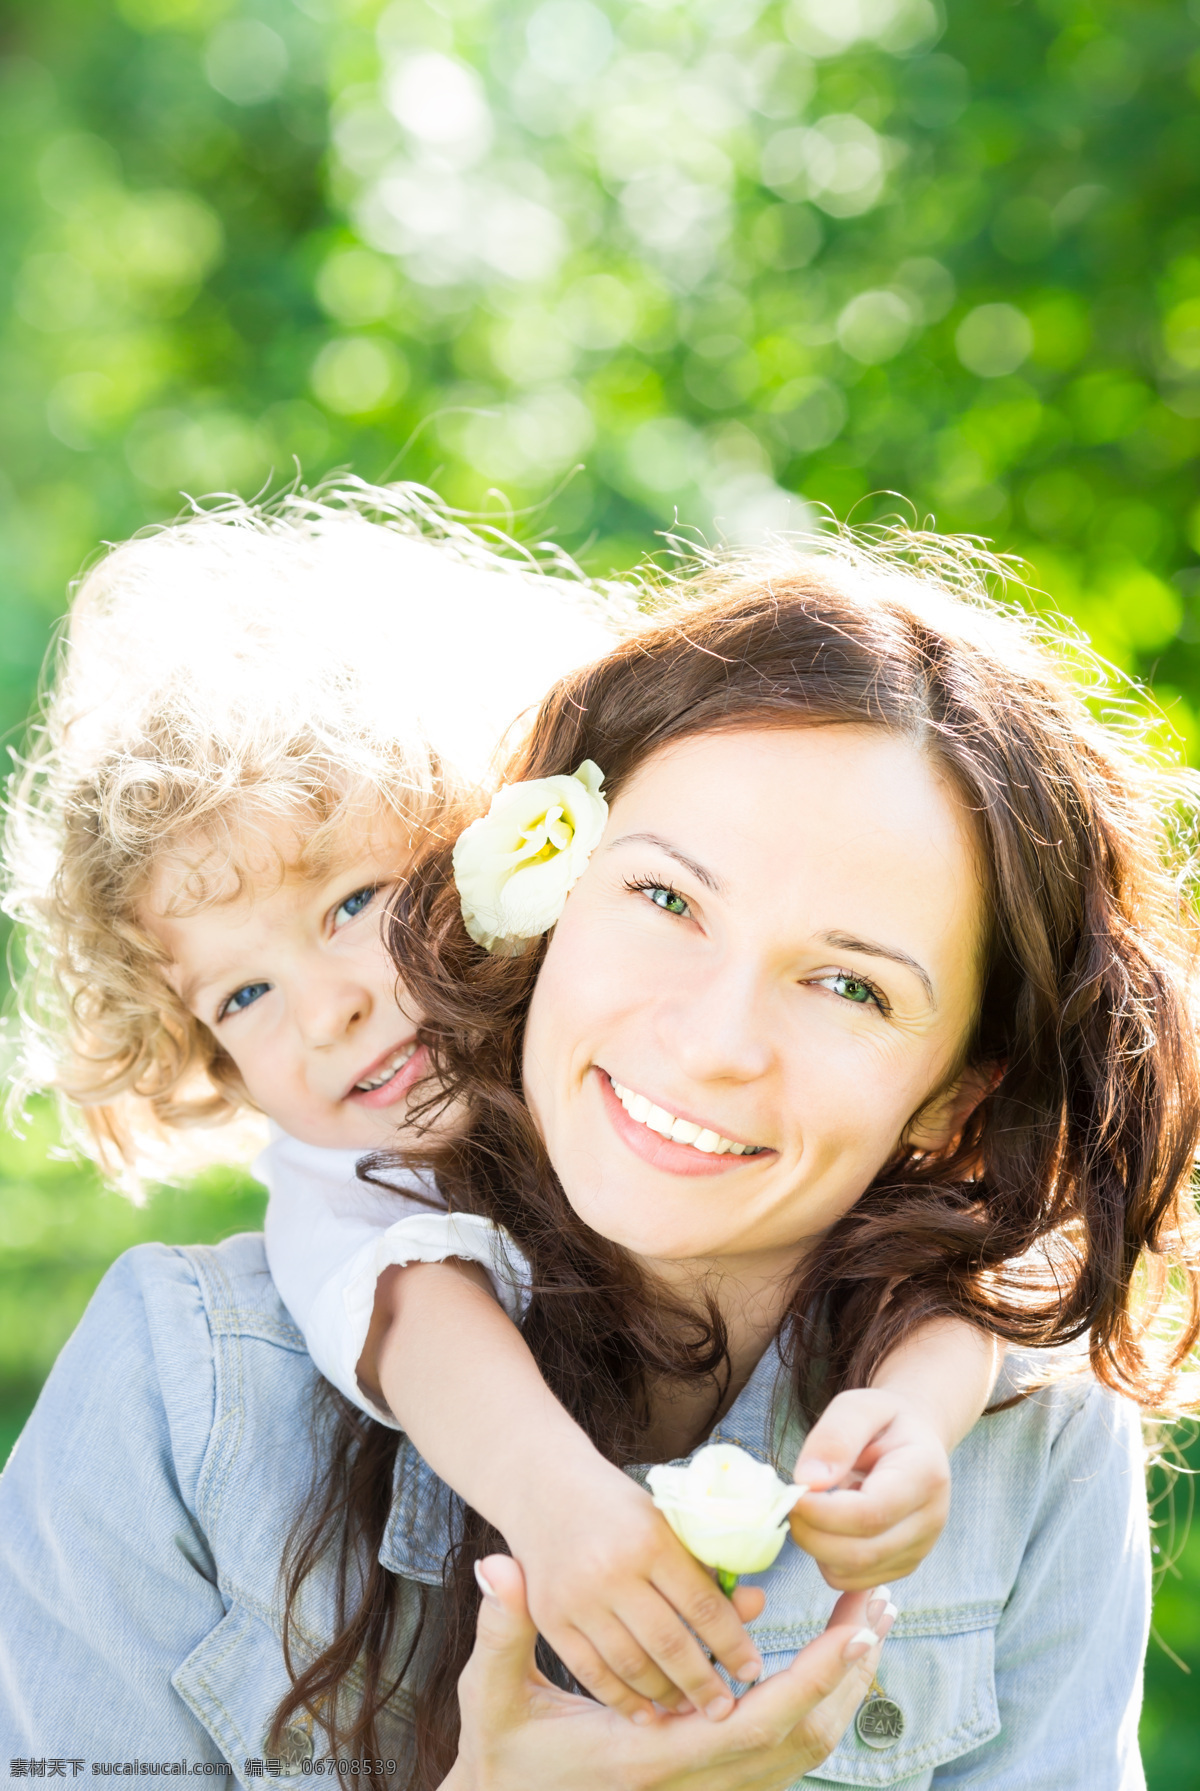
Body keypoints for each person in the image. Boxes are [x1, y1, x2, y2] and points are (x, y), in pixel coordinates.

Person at [2, 528, 1193, 1790]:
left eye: (849, 984)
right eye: (669, 900)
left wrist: (922, 1409)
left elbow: (977, 1291)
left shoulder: (1035, 1446)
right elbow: (404, 1299)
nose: (717, 1042)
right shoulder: (194, 1386)